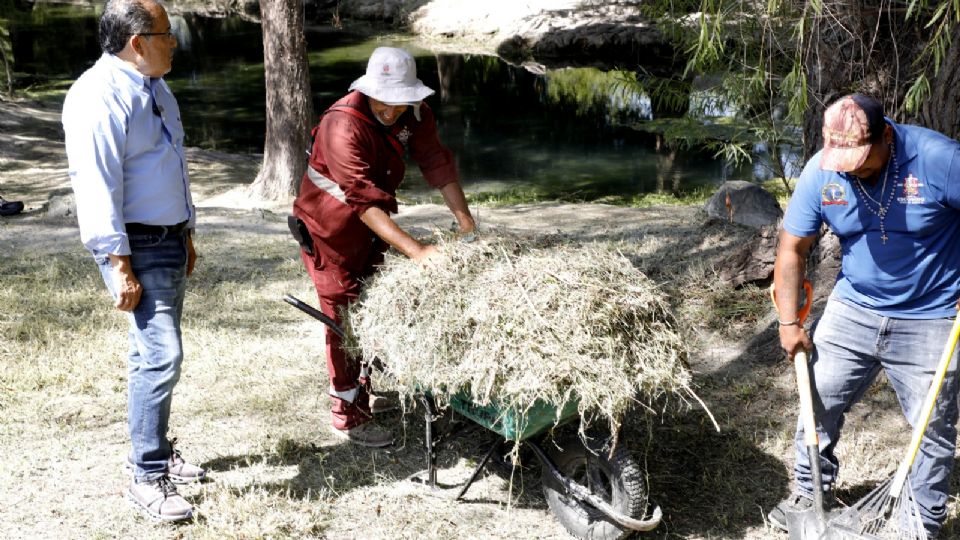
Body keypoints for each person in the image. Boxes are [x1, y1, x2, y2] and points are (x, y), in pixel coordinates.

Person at [768, 93, 960, 538]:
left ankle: (920, 521)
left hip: (930, 316)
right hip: (853, 308)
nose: (851, 169)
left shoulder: (939, 160)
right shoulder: (823, 170)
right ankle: (809, 490)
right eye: (842, 160)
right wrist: (788, 322)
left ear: (886, 136)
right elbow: (793, 247)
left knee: (931, 428)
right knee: (818, 399)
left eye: (860, 159)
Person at [62, 0, 205, 522]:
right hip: (136, 244)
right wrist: (116, 261)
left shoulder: (155, 86)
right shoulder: (97, 95)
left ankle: (156, 451)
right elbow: (96, 183)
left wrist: (187, 230)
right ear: (137, 41)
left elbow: (171, 163)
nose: (175, 42)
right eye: (167, 34)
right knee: (162, 355)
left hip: (167, 238)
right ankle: (147, 476)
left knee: (150, 356)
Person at [291, 47, 476, 448]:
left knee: (371, 304)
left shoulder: (415, 110)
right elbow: (363, 202)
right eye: (385, 101)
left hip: (371, 228)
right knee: (343, 317)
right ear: (369, 90)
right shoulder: (341, 126)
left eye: (401, 102)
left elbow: (436, 163)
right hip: (330, 231)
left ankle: (364, 388)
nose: (393, 111)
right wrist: (418, 251)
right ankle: (348, 415)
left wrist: (465, 222)